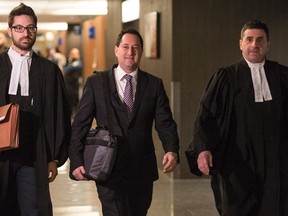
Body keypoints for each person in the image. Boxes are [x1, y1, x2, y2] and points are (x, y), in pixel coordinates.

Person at [69, 28, 180, 216]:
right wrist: (76, 160)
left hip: (141, 169)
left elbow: (165, 122)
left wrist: (171, 149)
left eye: (135, 47)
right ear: (116, 50)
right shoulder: (97, 82)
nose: (130, 52)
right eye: (126, 47)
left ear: (141, 52)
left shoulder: (154, 84)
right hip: (107, 167)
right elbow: (80, 123)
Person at [187, 20, 288, 216]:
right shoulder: (226, 77)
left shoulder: (282, 76)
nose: (254, 45)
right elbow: (206, 116)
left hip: (276, 165)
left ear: (268, 44)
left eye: (260, 40)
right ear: (240, 43)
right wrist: (203, 149)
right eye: (249, 39)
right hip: (237, 165)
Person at [0, 3, 71, 216]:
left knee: (34, 210)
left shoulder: (49, 70)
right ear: (10, 30)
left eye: (31, 28)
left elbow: (58, 114)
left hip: (34, 155)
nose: (25, 33)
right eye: (20, 28)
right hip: (1, 156)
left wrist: (54, 157)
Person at [63, 48, 83, 115]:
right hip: (68, 84)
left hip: (74, 85)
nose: (72, 55)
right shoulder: (70, 61)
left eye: (74, 53)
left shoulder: (78, 62)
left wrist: (70, 66)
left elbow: (66, 70)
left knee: (75, 100)